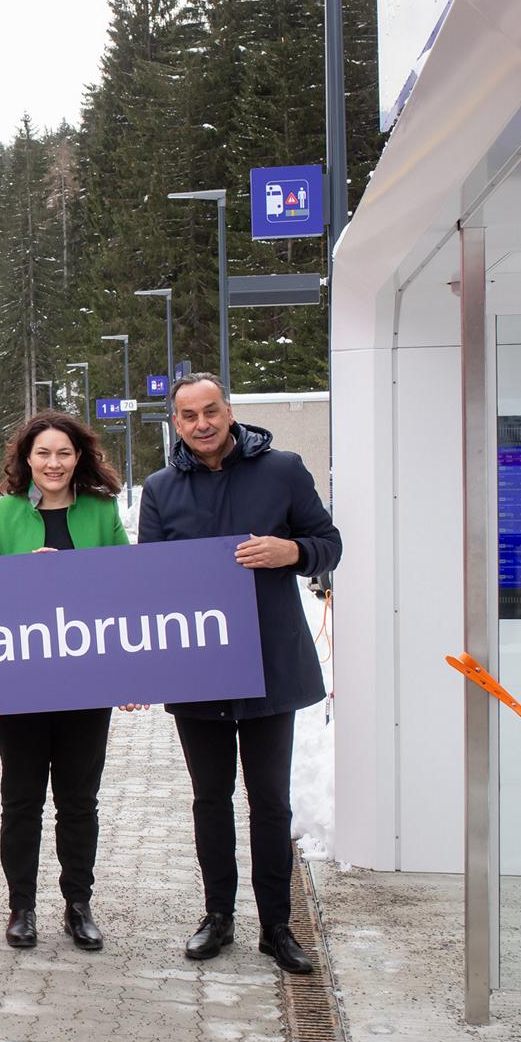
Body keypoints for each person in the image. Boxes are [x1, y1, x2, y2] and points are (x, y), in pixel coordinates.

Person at [137, 373, 342, 975]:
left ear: (229, 411)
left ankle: (276, 926)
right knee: (210, 800)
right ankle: (218, 916)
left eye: (210, 411)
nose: (201, 424)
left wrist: (292, 552)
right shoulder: (161, 489)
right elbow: (147, 578)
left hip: (269, 664)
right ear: (175, 424)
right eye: (188, 416)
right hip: (199, 668)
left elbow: (329, 542)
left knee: (270, 802)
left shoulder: (283, 470)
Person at [0, 411, 130, 951]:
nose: (53, 463)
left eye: (63, 453)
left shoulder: (103, 512)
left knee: (79, 802)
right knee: (21, 802)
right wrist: (25, 577)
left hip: (87, 683)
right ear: (27, 458)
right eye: (43, 453)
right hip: (20, 685)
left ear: (78, 457)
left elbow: (128, 595)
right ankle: (21, 908)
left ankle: (78, 905)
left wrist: (132, 674)